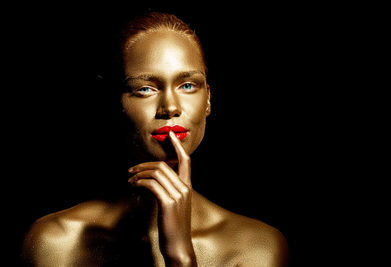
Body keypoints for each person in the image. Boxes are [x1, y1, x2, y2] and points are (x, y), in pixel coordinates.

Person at [22, 12, 288, 266]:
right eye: (145, 89)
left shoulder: (258, 247)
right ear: (117, 102)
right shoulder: (57, 242)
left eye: (187, 85)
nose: (170, 107)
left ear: (208, 99)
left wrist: (181, 257)